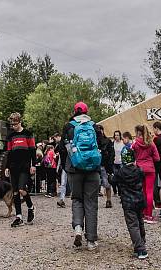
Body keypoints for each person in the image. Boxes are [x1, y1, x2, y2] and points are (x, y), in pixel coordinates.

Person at [62, 101, 105, 251]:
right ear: (87, 111)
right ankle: (91, 240)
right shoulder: (94, 126)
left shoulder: (69, 126)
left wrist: (66, 167)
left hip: (75, 169)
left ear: (74, 111)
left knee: (77, 198)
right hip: (92, 169)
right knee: (91, 203)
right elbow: (103, 144)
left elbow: (62, 148)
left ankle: (78, 227)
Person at [113, 146, 148, 260]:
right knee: (140, 221)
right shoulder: (139, 170)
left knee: (133, 225)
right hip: (140, 200)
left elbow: (112, 181)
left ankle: (140, 249)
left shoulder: (120, 173)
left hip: (128, 203)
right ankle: (142, 241)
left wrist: (109, 176)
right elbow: (143, 178)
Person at [4, 112, 36, 227]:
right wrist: (7, 167)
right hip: (13, 167)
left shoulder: (28, 134)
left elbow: (32, 150)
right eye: (11, 125)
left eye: (15, 124)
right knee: (16, 192)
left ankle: (30, 207)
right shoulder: (10, 136)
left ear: (20, 122)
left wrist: (34, 165)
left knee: (22, 189)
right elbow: (8, 153)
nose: (13, 127)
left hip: (25, 166)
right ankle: (19, 216)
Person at [132, 124, 160, 224]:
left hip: (139, 169)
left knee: (142, 191)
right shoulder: (151, 143)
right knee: (149, 192)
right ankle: (149, 215)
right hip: (150, 169)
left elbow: (131, 154)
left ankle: (143, 213)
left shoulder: (135, 144)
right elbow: (157, 158)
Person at [56, 133, 70, 208]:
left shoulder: (65, 144)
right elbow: (61, 158)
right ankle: (61, 199)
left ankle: (78, 199)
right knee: (63, 183)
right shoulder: (62, 145)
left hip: (70, 166)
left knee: (66, 183)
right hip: (66, 166)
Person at [112, 131, 124, 196]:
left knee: (121, 178)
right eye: (115, 135)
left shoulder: (122, 143)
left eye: (117, 135)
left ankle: (120, 192)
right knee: (114, 178)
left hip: (121, 162)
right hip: (114, 162)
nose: (116, 136)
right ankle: (114, 190)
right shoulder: (113, 143)